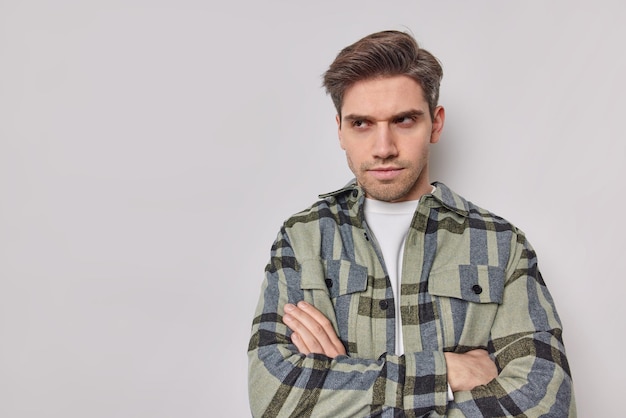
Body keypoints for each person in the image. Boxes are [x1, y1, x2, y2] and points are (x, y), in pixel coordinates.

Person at [247, 30, 576, 417]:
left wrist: (342, 382)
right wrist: (446, 372)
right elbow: (274, 398)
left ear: (435, 124)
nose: (384, 147)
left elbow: (547, 402)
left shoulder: (500, 243)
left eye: (403, 120)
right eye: (361, 124)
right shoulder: (303, 239)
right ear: (339, 129)